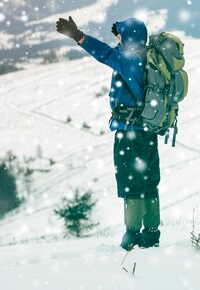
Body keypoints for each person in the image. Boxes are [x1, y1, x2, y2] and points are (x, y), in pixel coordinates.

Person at [55, 16, 161, 251]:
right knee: (150, 182)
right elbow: (120, 56)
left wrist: (78, 36)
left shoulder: (128, 60)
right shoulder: (148, 55)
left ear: (128, 39)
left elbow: (105, 54)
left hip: (129, 133)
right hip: (149, 130)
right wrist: (122, 35)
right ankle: (152, 234)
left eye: (122, 36)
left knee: (131, 183)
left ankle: (131, 235)